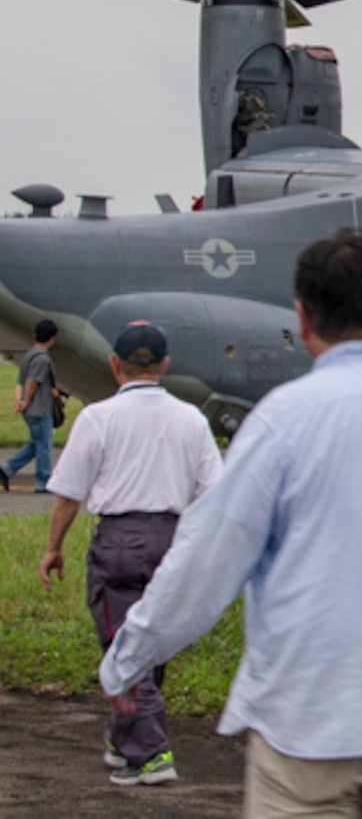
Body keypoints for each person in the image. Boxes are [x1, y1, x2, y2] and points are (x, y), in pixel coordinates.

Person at [99, 229, 362, 816]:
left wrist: (129, 658)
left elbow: (207, 559)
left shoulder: (285, 419)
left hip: (311, 724)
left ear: (302, 319)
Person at [39, 322, 221, 786]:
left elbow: (68, 494)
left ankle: (152, 753)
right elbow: (218, 494)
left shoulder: (99, 418)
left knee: (124, 647)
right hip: (173, 538)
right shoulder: (191, 418)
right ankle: (125, 740)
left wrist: (53, 548)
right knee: (150, 640)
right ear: (164, 365)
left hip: (120, 540)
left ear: (114, 364)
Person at [2, 318, 61, 492]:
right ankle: (42, 481)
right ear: (51, 338)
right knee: (44, 446)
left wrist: (19, 400)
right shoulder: (42, 359)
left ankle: (7, 469)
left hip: (30, 409)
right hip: (39, 408)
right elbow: (32, 382)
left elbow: (20, 381)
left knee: (35, 443)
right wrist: (26, 401)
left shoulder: (28, 356)